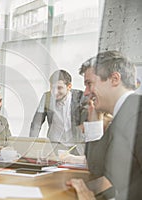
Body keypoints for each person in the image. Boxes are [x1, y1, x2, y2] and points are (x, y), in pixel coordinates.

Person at [69, 50, 142, 199]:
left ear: (114, 79)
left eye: (89, 84)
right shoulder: (125, 113)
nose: (86, 93)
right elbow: (97, 166)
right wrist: (95, 121)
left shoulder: (136, 115)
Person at [29, 70, 87, 155]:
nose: (55, 92)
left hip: (76, 146)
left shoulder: (80, 97)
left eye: (59, 88)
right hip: (55, 146)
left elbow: (87, 123)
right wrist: (31, 145)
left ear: (69, 87)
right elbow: (36, 124)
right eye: (52, 88)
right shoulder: (46, 97)